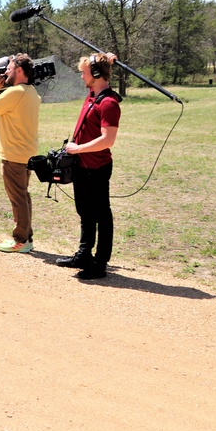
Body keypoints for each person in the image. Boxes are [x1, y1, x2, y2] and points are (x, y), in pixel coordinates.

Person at [57, 52, 122, 280]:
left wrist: (78, 149)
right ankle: (84, 254)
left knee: (101, 214)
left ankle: (100, 263)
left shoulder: (109, 103)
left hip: (97, 167)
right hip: (82, 166)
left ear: (95, 74)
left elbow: (108, 139)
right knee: (85, 212)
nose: (81, 76)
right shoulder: (92, 96)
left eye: (84, 72)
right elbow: (101, 66)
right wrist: (108, 59)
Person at [0, 54, 41, 253]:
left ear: (20, 71)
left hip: (14, 155)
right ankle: (27, 238)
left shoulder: (15, 92)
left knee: (18, 198)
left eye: (10, 68)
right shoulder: (31, 92)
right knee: (23, 196)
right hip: (25, 153)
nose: (6, 71)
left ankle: (21, 240)